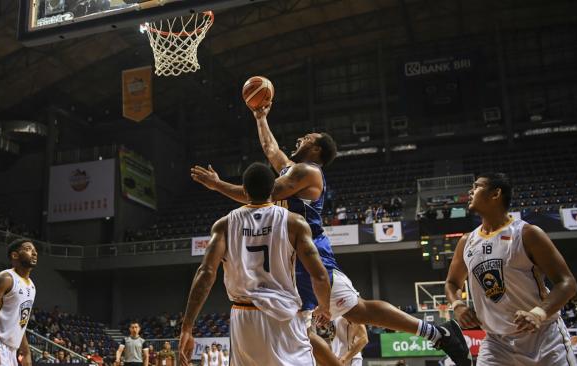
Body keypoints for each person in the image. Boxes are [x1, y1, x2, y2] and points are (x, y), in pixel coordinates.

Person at [190, 104, 470, 366]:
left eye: (308, 138)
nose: (301, 138)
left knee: (338, 316)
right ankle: (436, 334)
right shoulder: (292, 168)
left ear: (317, 151)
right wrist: (260, 116)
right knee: (331, 319)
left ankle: (436, 333)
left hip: (308, 255)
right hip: (294, 255)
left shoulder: (308, 171)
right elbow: (269, 147)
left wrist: (217, 185)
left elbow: (264, 193)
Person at [179, 163, 333, 366]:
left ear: (244, 190)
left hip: (243, 316)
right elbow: (319, 275)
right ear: (274, 190)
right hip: (283, 316)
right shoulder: (294, 223)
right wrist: (324, 307)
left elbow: (205, 273)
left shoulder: (224, 224)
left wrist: (187, 327)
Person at [445, 173, 577, 366]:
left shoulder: (527, 234)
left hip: (543, 338)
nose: (470, 191)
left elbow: (567, 283)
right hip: (496, 343)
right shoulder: (467, 241)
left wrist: (538, 313)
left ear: (495, 193)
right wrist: (457, 305)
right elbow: (452, 283)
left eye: (477, 186)